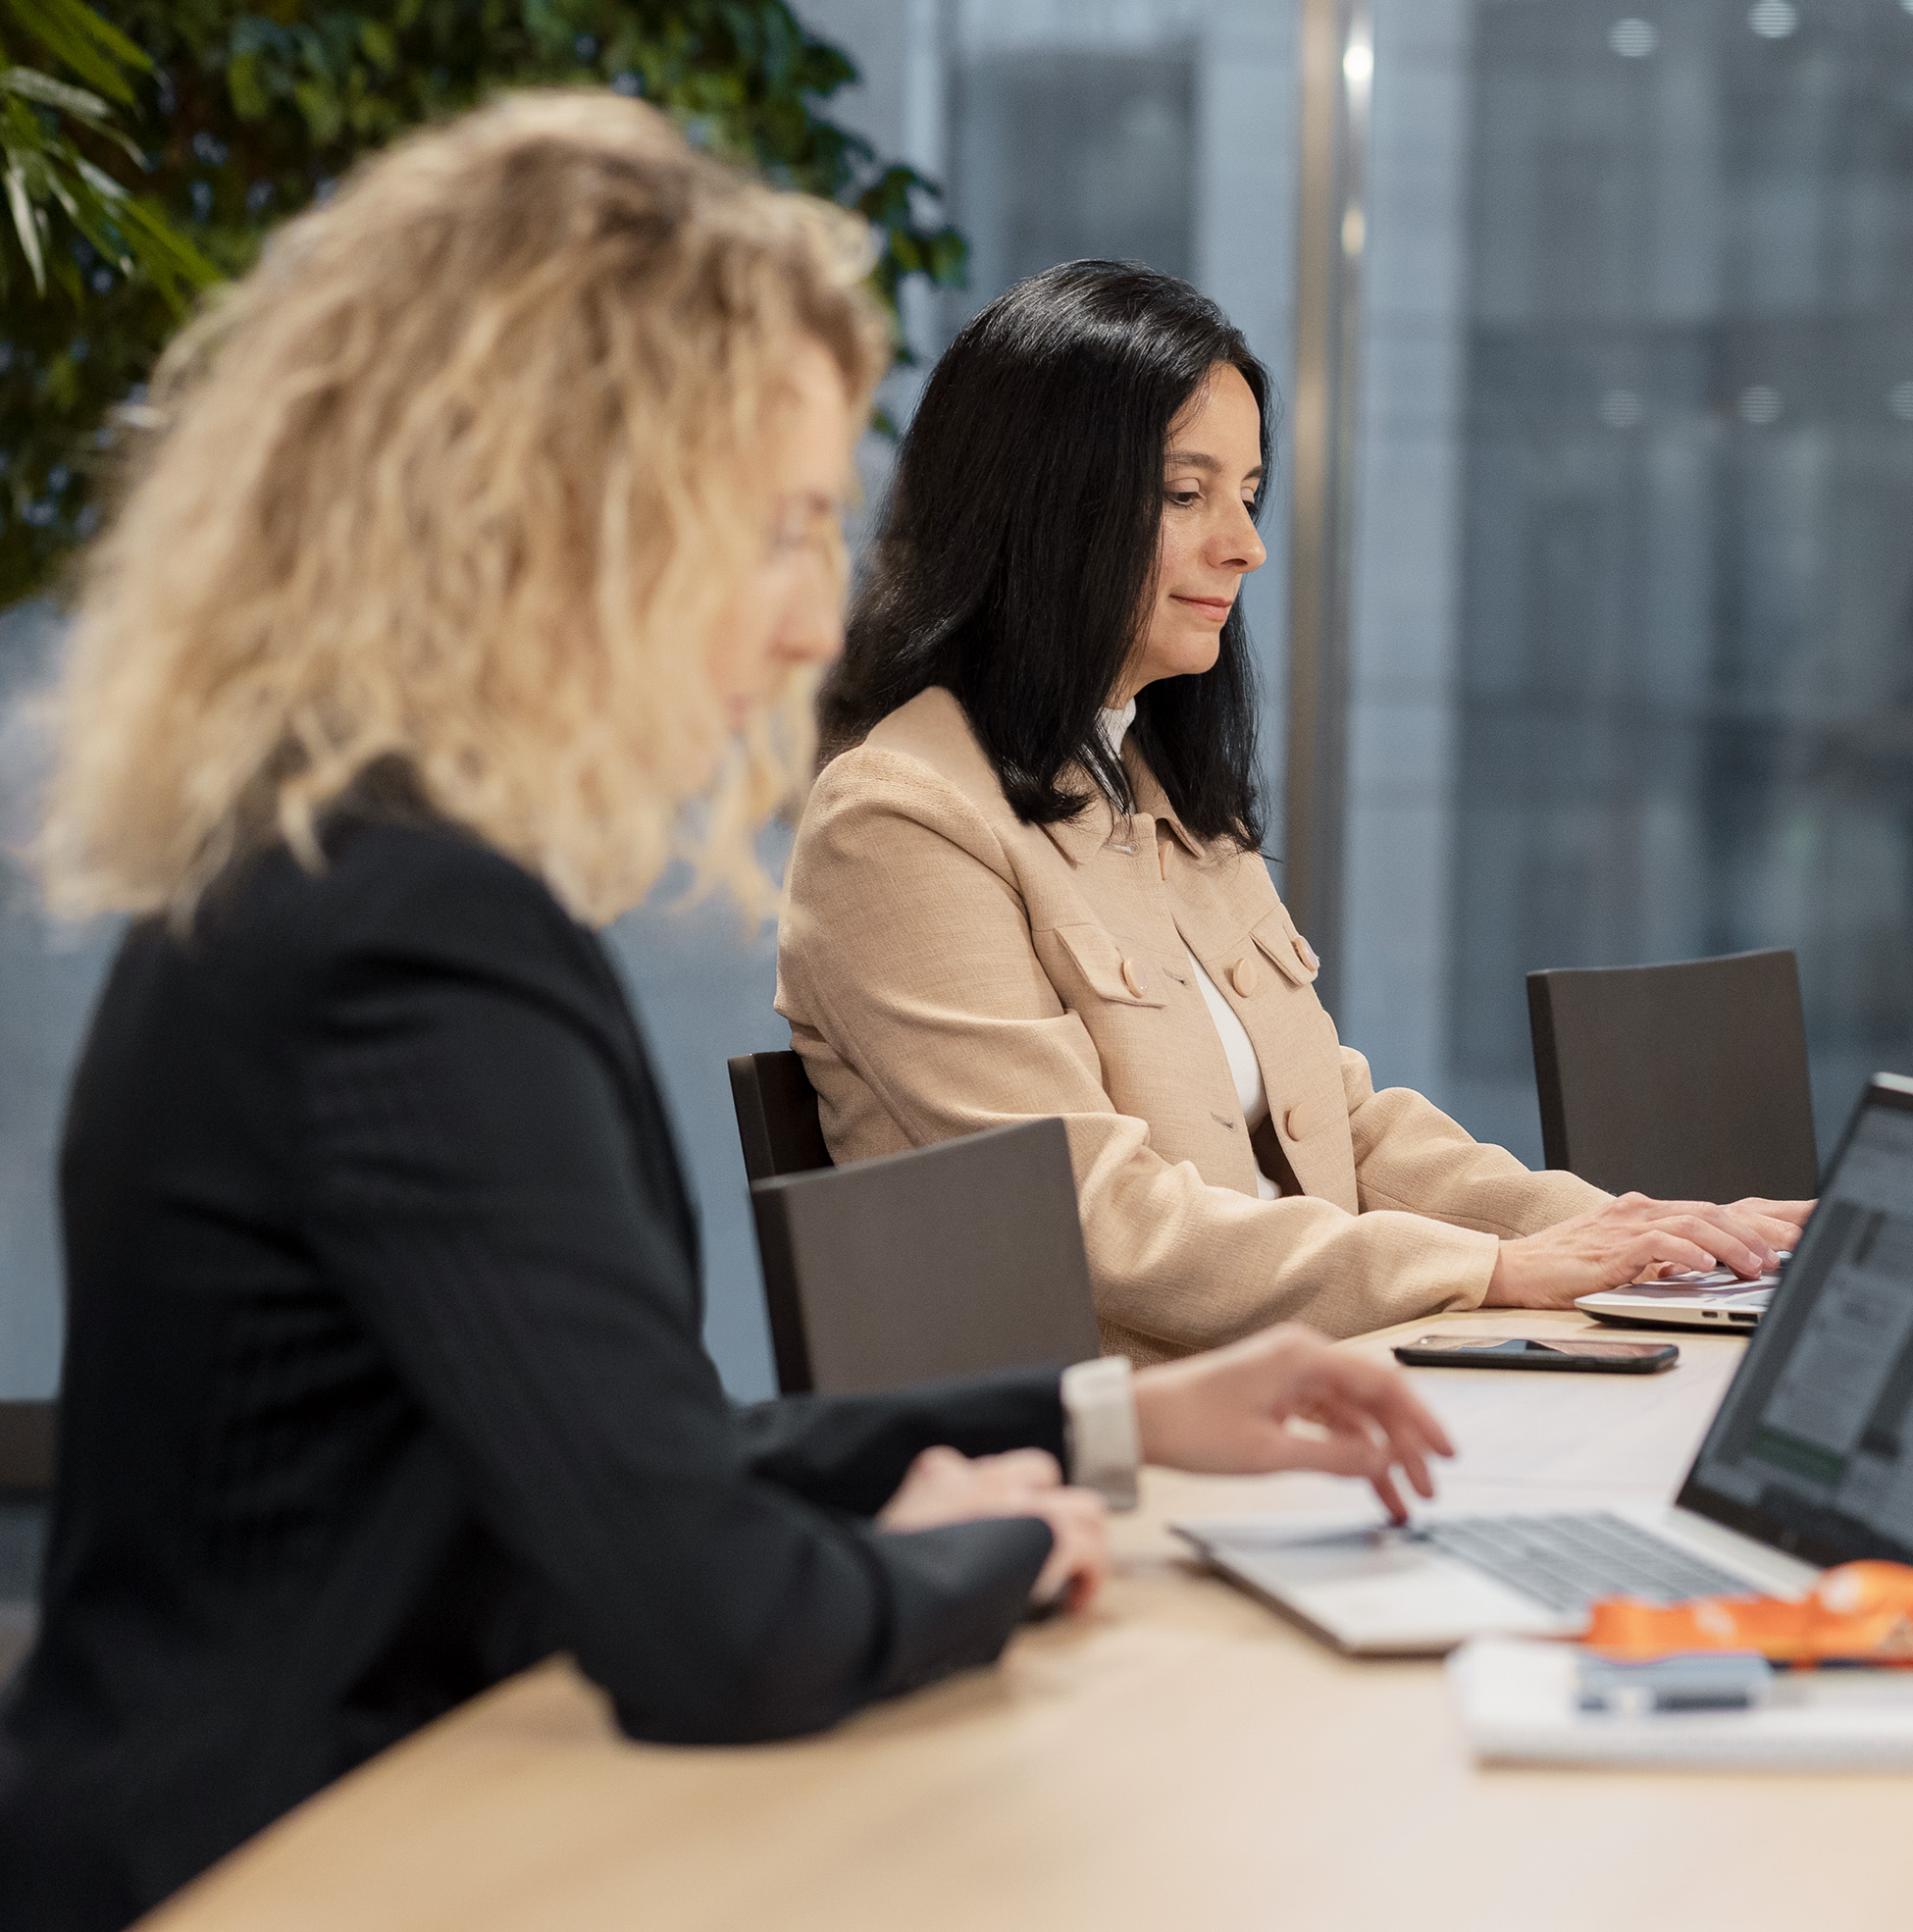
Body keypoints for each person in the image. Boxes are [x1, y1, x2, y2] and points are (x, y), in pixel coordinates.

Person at [0, 98, 1451, 1932]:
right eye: (773, 530)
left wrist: (1129, 1425)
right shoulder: (411, 939)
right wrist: (993, 1553)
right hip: (289, 1853)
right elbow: (715, 1617)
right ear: (557, 525)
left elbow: (638, 1444)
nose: (802, 626)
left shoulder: (356, 866)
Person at [779, 261, 1811, 1362]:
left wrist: (1615, 1229)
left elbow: (1340, 1125)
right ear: (1039, 505)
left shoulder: (1150, 781)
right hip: (1108, 1466)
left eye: (1249, 494)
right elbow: (1098, 1218)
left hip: (1288, 1392)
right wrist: (1492, 1271)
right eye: (1186, 495)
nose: (1246, 544)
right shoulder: (899, 820)